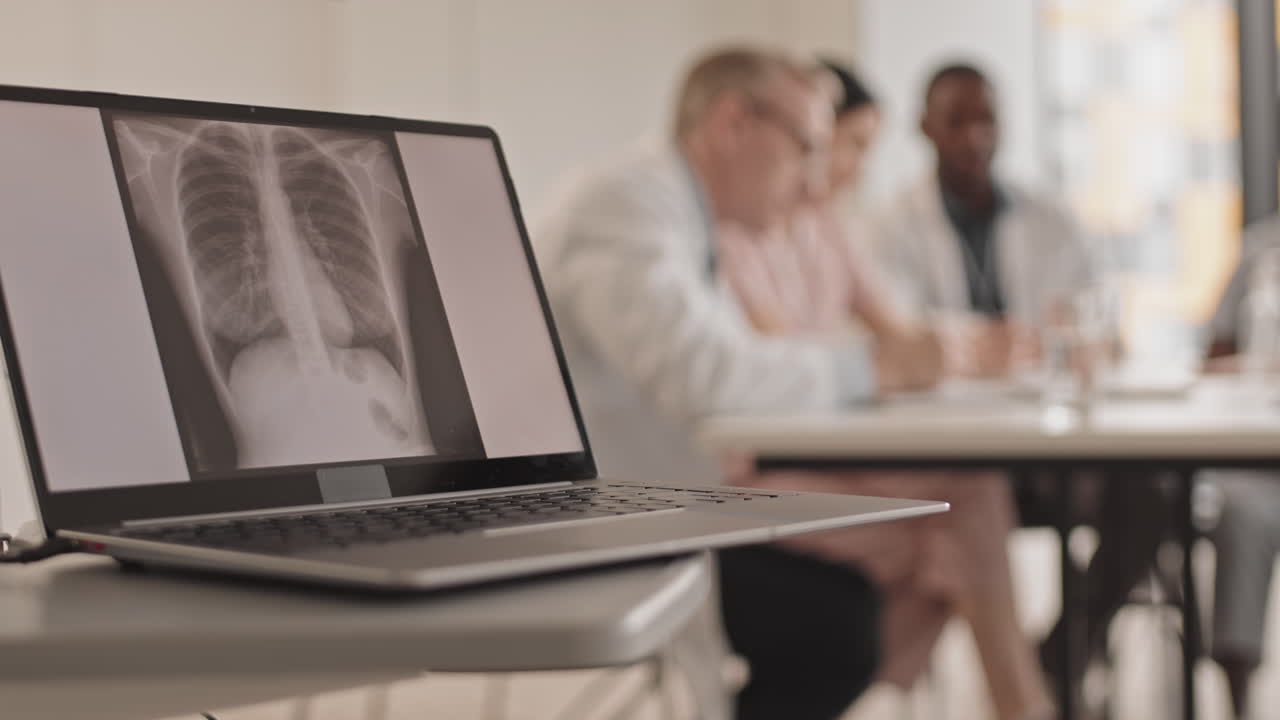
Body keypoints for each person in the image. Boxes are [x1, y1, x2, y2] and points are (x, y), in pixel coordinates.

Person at [535, 47, 936, 720]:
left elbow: (737, 361)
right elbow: (706, 379)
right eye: (807, 147)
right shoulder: (625, 206)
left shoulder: (689, 219)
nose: (815, 182)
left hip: (677, 502)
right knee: (840, 625)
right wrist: (866, 367)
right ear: (731, 124)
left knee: (885, 575)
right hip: (604, 524)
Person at [718, 59, 1054, 720]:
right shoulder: (738, 232)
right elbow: (778, 361)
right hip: (757, 481)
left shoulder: (824, 228)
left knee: (960, 521)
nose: (853, 167)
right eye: (851, 146)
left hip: (826, 462)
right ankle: (1020, 705)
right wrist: (893, 357)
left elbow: (898, 331)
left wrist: (968, 346)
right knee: (963, 520)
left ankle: (991, 703)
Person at [868, 61, 1172, 705]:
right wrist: (975, 348)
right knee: (965, 506)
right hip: (957, 453)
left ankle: (1065, 649)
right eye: (958, 120)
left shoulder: (1048, 216)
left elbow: (1102, 319)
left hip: (1044, 442)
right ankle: (1025, 693)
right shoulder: (891, 226)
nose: (976, 135)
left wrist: (1091, 340)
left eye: (988, 120)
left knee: (1152, 488)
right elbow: (895, 334)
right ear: (926, 128)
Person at [1203, 215, 1280, 719]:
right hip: (1258, 457)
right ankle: (1240, 703)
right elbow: (1215, 352)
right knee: (1242, 513)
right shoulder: (1261, 249)